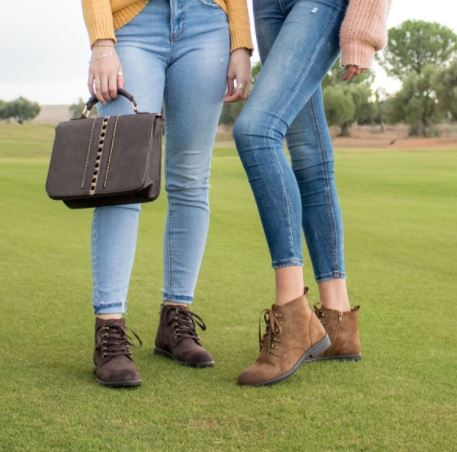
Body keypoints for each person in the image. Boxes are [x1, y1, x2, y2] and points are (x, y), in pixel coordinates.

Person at [81, 0, 252, 387]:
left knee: (191, 179)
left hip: (208, 24)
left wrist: (241, 43)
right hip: (134, 24)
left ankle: (175, 318)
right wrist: (102, 43)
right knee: (119, 179)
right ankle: (109, 329)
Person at [233, 0, 391, 386]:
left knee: (256, 131)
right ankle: (337, 321)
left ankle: (293, 313)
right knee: (309, 155)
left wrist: (362, 31)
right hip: (268, 7)